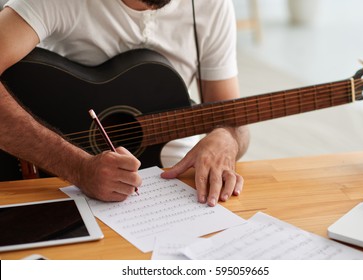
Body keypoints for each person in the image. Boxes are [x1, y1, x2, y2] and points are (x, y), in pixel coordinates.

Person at [0, 0, 250, 207]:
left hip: (177, 183)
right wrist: (77, 168)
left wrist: (227, 137)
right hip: (57, 182)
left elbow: (232, 118)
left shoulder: (211, 5)